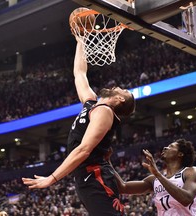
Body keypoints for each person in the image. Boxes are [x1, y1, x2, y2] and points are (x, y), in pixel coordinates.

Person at [22, 36, 135, 215]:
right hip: (86, 177)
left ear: (120, 99)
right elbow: (79, 73)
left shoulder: (105, 111)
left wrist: (52, 178)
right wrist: (81, 40)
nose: (120, 87)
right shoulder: (92, 104)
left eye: (124, 90)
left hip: (96, 177)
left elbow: (83, 150)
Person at [112, 139, 196, 216]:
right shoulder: (154, 179)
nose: (165, 148)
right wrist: (106, 161)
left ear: (180, 154)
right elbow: (122, 187)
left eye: (171, 146)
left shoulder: (191, 172)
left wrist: (158, 174)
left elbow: (186, 199)